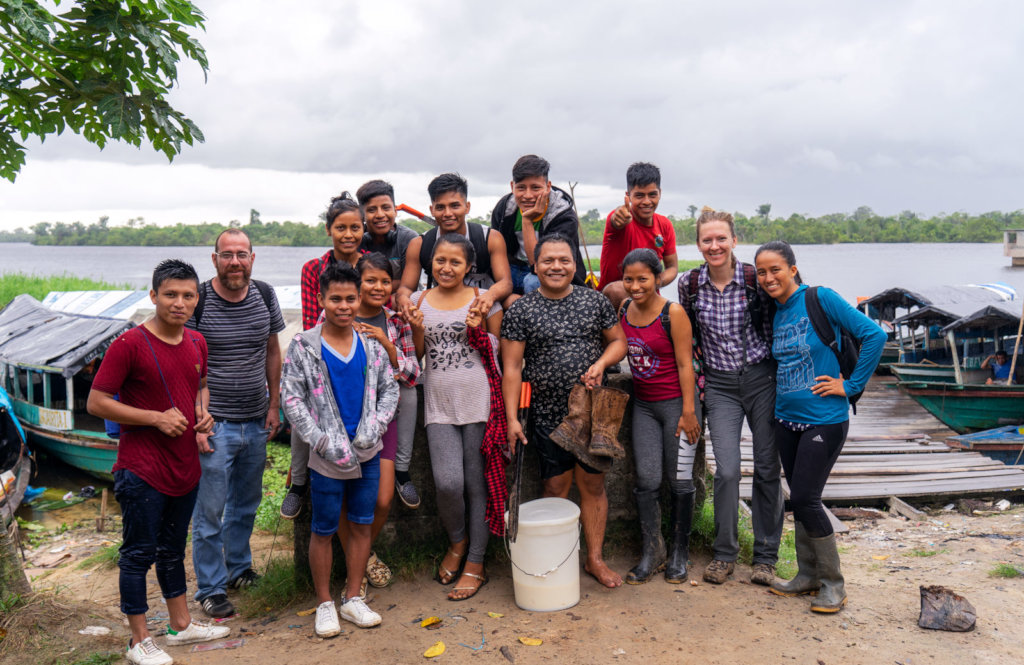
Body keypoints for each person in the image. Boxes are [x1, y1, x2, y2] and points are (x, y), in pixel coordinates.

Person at [87, 259, 230, 665]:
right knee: (138, 553)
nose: (179, 303)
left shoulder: (197, 342)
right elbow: (97, 401)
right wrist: (155, 417)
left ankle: (181, 625)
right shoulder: (128, 344)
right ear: (153, 296)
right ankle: (138, 641)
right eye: (170, 294)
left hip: (185, 465)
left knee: (172, 549)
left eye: (188, 295)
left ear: (196, 299)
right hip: (141, 468)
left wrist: (204, 415)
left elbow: (200, 386)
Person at [754, 241, 885, 613]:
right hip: (786, 420)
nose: (768, 278)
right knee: (799, 498)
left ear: (793, 269)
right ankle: (807, 574)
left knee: (808, 499)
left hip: (825, 419)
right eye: (761, 272)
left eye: (775, 269)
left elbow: (875, 335)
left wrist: (852, 385)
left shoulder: (820, 298)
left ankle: (833, 584)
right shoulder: (776, 312)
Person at [501, 234, 627, 588]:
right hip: (545, 413)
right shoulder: (522, 310)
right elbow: (511, 368)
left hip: (591, 412)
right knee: (555, 487)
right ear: (535, 266)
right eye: (548, 261)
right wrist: (512, 419)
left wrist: (601, 363)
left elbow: (619, 342)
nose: (557, 266)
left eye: (564, 260)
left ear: (575, 264)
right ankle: (557, 558)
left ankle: (595, 559)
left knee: (593, 485)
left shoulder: (594, 302)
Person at [281, 261, 399, 633]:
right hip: (326, 457)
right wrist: (319, 439)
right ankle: (324, 603)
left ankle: (352, 598)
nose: (344, 306)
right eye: (336, 299)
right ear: (321, 299)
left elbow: (390, 389)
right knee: (324, 528)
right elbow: (292, 398)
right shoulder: (305, 346)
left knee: (362, 525)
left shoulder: (371, 346)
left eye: (351, 298)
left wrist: (375, 427)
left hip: (366, 452)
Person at [677, 207, 783, 587]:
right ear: (698, 244)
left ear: (734, 240)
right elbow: (687, 343)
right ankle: (725, 554)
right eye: (707, 239)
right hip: (719, 386)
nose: (715, 245)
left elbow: (788, 314)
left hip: (761, 379)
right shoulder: (689, 285)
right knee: (727, 470)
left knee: (768, 468)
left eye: (722, 238)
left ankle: (766, 556)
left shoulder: (757, 279)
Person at [187, 229, 286, 619]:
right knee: (209, 512)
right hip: (216, 424)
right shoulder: (198, 299)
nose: (234, 262)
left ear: (252, 258)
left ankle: (239, 569)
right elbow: (185, 361)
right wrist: (197, 417)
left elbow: (272, 351)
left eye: (241, 254)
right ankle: (210, 588)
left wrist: (274, 404)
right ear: (214, 259)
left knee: (245, 505)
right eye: (226, 255)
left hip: (256, 419)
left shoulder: (264, 294)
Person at [410, 233, 503, 601]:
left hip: (479, 400)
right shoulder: (419, 300)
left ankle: (476, 562)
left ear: (469, 267)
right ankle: (458, 541)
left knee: (476, 483)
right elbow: (417, 356)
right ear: (431, 263)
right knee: (447, 483)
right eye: (440, 261)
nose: (446, 268)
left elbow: (497, 352)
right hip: (438, 403)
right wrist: (417, 327)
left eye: (455, 262)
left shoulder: (484, 301)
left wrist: (479, 326)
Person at [335, 252, 421, 590]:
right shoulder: (341, 315)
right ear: (358, 281)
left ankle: (361, 554)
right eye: (371, 280)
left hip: (384, 419)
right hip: (345, 419)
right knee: (345, 497)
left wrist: (386, 345)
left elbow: (413, 374)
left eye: (386, 281)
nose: (378, 287)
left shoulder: (396, 322)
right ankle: (361, 564)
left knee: (383, 498)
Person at [617, 249, 701, 584]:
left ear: (657, 278)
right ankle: (653, 551)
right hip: (644, 407)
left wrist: (690, 411)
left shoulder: (673, 312)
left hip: (676, 407)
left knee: (680, 480)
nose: (635, 286)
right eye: (629, 279)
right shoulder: (624, 308)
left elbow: (685, 364)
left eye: (642, 279)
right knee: (647, 481)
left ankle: (680, 552)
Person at [281, 193, 366, 519]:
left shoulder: (370, 263)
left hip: (363, 349)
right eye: (341, 227)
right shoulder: (314, 268)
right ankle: (299, 483)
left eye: (355, 227)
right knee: (305, 402)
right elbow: (310, 320)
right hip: (323, 346)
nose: (348, 235)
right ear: (329, 230)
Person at [396, 172, 512, 316]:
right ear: (431, 210)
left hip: (482, 306)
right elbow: (406, 287)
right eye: (440, 208)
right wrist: (403, 299)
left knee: (514, 301)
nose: (448, 213)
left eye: (455, 206)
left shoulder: (490, 238)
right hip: (438, 306)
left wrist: (489, 296)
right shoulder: (419, 244)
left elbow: (505, 282)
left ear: (467, 207)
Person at [491, 154, 587, 301]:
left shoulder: (563, 216)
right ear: (512, 187)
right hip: (513, 268)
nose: (528, 195)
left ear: (548, 187)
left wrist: (527, 221)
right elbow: (496, 251)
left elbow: (538, 266)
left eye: (536, 188)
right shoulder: (504, 209)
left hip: (547, 273)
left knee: (533, 282)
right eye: (521, 188)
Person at [598, 162, 678, 311]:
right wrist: (618, 217)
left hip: (650, 299)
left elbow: (672, 267)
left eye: (652, 194)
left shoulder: (665, 225)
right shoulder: (621, 218)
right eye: (639, 195)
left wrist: (653, 283)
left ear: (660, 193)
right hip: (613, 302)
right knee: (616, 290)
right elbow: (616, 219)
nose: (647, 201)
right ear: (628, 196)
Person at [357, 179, 419, 279]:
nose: (380, 215)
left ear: (395, 211)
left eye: (386, 208)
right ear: (362, 215)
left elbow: (407, 284)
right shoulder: (356, 240)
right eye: (372, 210)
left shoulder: (409, 239)